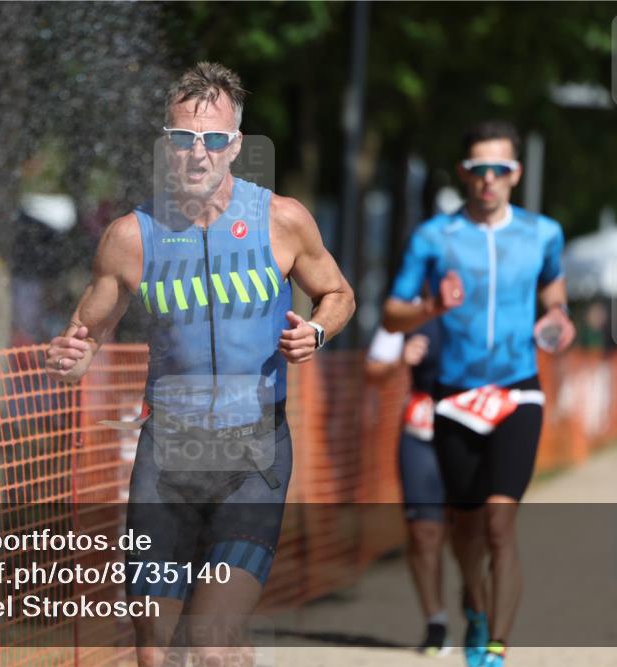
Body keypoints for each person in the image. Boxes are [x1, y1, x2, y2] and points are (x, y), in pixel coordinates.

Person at [46, 62, 355, 667]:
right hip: (166, 458)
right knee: (155, 653)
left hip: (254, 457)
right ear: (166, 144)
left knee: (210, 644)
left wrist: (317, 332)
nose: (198, 152)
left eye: (213, 138)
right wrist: (71, 359)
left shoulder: (281, 220)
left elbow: (339, 293)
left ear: (235, 144)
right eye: (183, 138)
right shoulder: (131, 237)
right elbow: (84, 336)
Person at [382, 120, 576, 667]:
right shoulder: (434, 237)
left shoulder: (543, 233)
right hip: (454, 396)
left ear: (515, 173)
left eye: (500, 169)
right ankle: (475, 605)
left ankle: (496, 647)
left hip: (518, 391)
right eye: (478, 169)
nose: (489, 179)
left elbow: (554, 293)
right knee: (463, 527)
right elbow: (392, 315)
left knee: (498, 522)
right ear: (463, 173)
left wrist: (558, 318)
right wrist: (431, 308)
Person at [366, 317, 450, 656]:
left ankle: (477, 608)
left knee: (472, 531)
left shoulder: (487, 300)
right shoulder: (405, 307)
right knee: (423, 532)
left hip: (475, 427)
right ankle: (436, 622)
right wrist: (400, 360)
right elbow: (372, 371)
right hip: (420, 429)